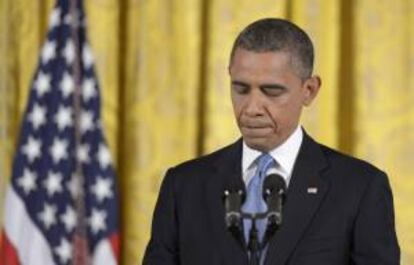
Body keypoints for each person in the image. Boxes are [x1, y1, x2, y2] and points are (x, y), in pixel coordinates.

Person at [143, 18, 400, 265]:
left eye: (272, 91)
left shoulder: (360, 188)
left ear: (309, 90)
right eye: (241, 89)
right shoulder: (184, 186)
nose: (252, 108)